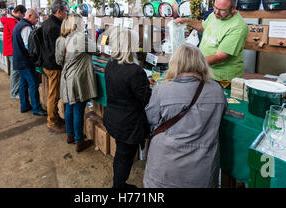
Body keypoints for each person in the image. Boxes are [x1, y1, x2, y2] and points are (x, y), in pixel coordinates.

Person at [143, 44, 227, 188]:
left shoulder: (161, 89)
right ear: (201, 63)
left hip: (165, 167)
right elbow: (221, 113)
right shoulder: (216, 90)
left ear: (175, 63)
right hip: (202, 169)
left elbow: (151, 118)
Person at [103, 28, 152, 189]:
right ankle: (118, 185)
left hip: (114, 118)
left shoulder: (110, 64)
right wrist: (147, 86)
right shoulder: (135, 71)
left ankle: (118, 182)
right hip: (129, 124)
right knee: (124, 156)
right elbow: (146, 99)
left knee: (121, 154)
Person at [175, 0, 248, 85]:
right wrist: (186, 21)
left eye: (222, 10)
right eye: (215, 7)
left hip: (222, 79)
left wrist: (192, 63)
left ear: (233, 9)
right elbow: (203, 27)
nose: (216, 12)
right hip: (206, 71)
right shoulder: (214, 15)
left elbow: (220, 57)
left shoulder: (238, 27)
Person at [55, 14, 97, 152]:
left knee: (69, 107)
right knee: (78, 108)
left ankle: (70, 135)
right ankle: (79, 141)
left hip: (66, 78)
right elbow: (96, 49)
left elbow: (58, 60)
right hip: (77, 79)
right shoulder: (79, 38)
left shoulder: (61, 39)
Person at [12, 9, 46, 117]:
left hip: (19, 59)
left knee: (23, 84)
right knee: (33, 83)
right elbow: (29, 47)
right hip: (25, 61)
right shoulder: (26, 27)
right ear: (30, 16)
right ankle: (36, 108)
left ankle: (25, 105)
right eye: (36, 18)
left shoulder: (19, 24)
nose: (37, 20)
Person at [41, 0, 68, 132]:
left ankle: (55, 117)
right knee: (54, 94)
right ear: (59, 11)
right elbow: (56, 50)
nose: (66, 14)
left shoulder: (47, 22)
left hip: (47, 62)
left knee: (54, 93)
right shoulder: (53, 26)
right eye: (65, 11)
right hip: (53, 65)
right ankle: (52, 122)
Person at [1, 5, 26, 99]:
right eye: (23, 15)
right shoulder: (12, 21)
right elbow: (18, 36)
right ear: (19, 12)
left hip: (11, 48)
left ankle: (15, 91)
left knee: (14, 71)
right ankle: (14, 93)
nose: (23, 17)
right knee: (15, 71)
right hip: (12, 49)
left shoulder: (12, 20)